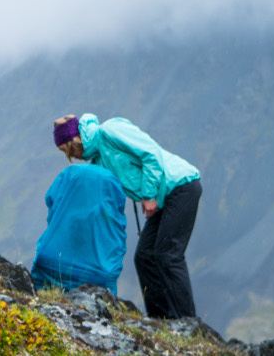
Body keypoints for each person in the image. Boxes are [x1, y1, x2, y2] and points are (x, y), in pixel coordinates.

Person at [54, 113, 202, 319]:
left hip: (180, 186)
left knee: (168, 255)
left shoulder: (110, 131)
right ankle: (161, 320)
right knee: (144, 257)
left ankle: (187, 322)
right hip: (161, 199)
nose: (71, 156)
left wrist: (149, 195)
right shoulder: (97, 162)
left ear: (75, 140)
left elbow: (150, 154)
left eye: (68, 150)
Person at [33, 126, 128, 293]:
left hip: (53, 265)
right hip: (99, 274)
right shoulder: (107, 184)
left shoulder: (70, 178)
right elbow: (116, 230)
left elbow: (52, 206)